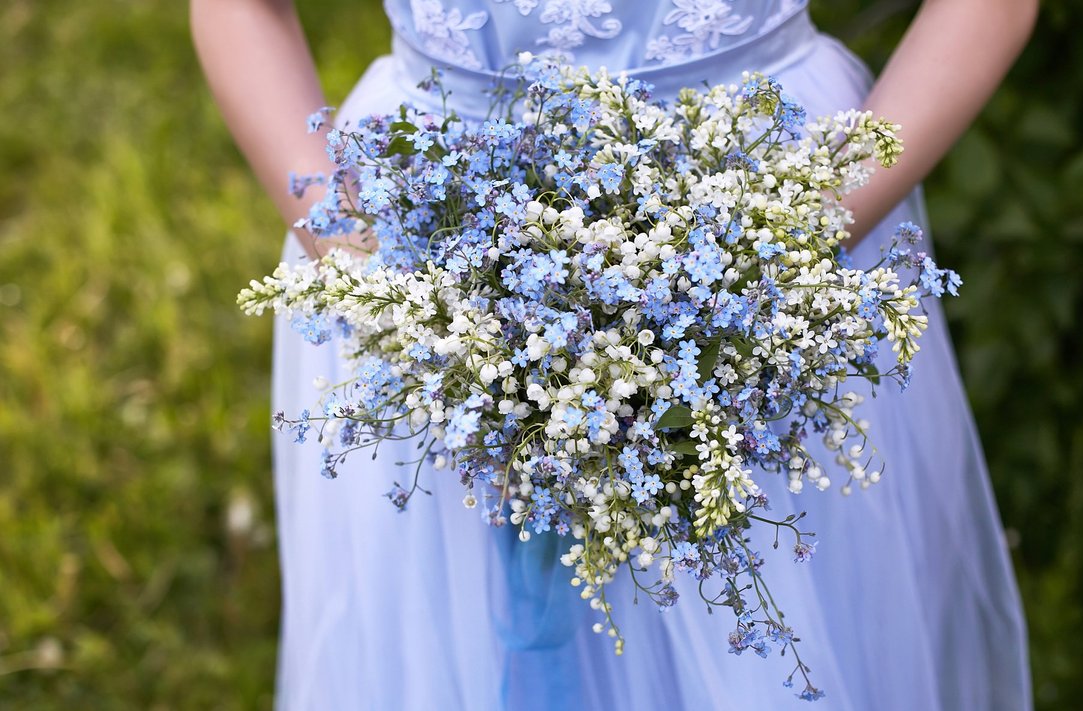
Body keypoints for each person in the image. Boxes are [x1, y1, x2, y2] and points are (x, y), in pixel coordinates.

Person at [192, 1, 1038, 708]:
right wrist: (382, 280)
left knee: (775, 613)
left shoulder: (772, 248)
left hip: (770, 218)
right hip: (425, 235)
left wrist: (776, 245)